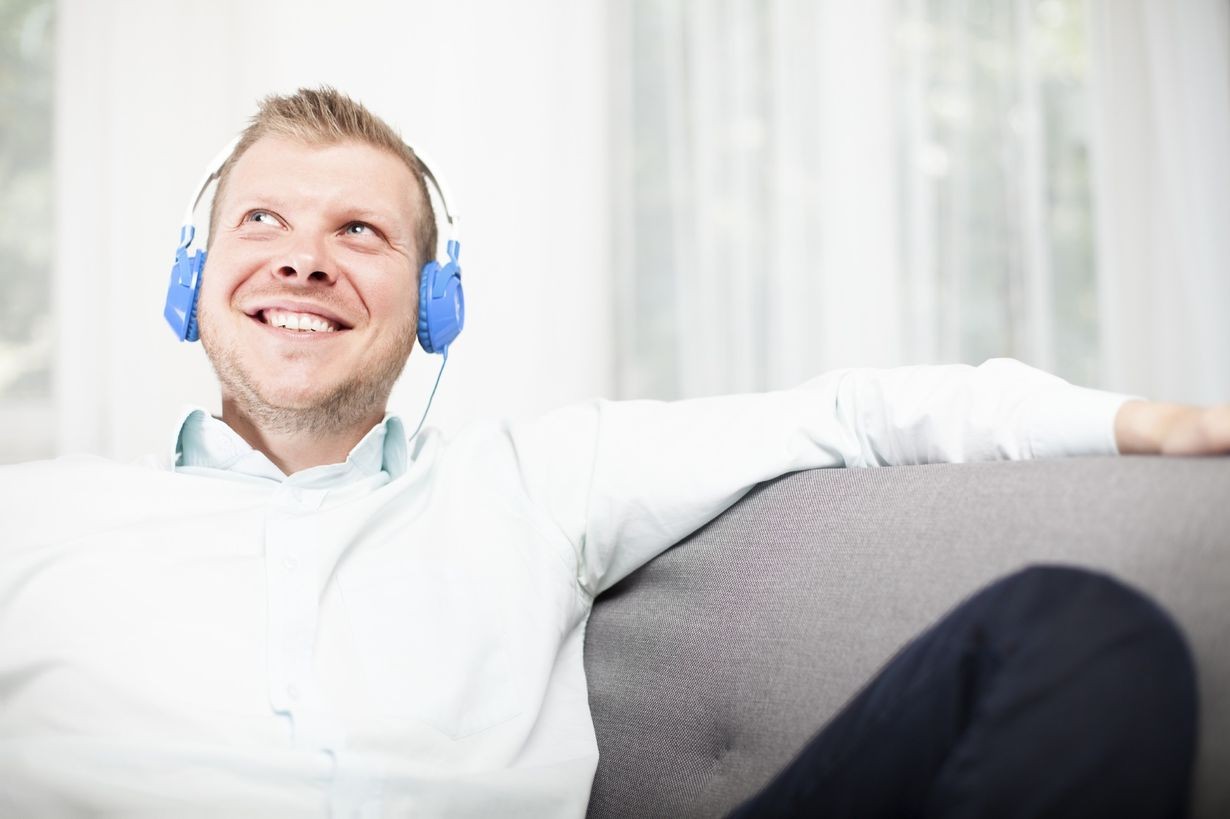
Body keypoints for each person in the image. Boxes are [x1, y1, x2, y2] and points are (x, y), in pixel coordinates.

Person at [0, 86, 1225, 819]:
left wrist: (1157, 426)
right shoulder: (34, 517)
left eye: (359, 231)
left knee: (1081, 635)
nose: (303, 258)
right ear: (192, 278)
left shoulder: (535, 481)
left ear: (434, 305)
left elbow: (850, 413)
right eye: (261, 219)